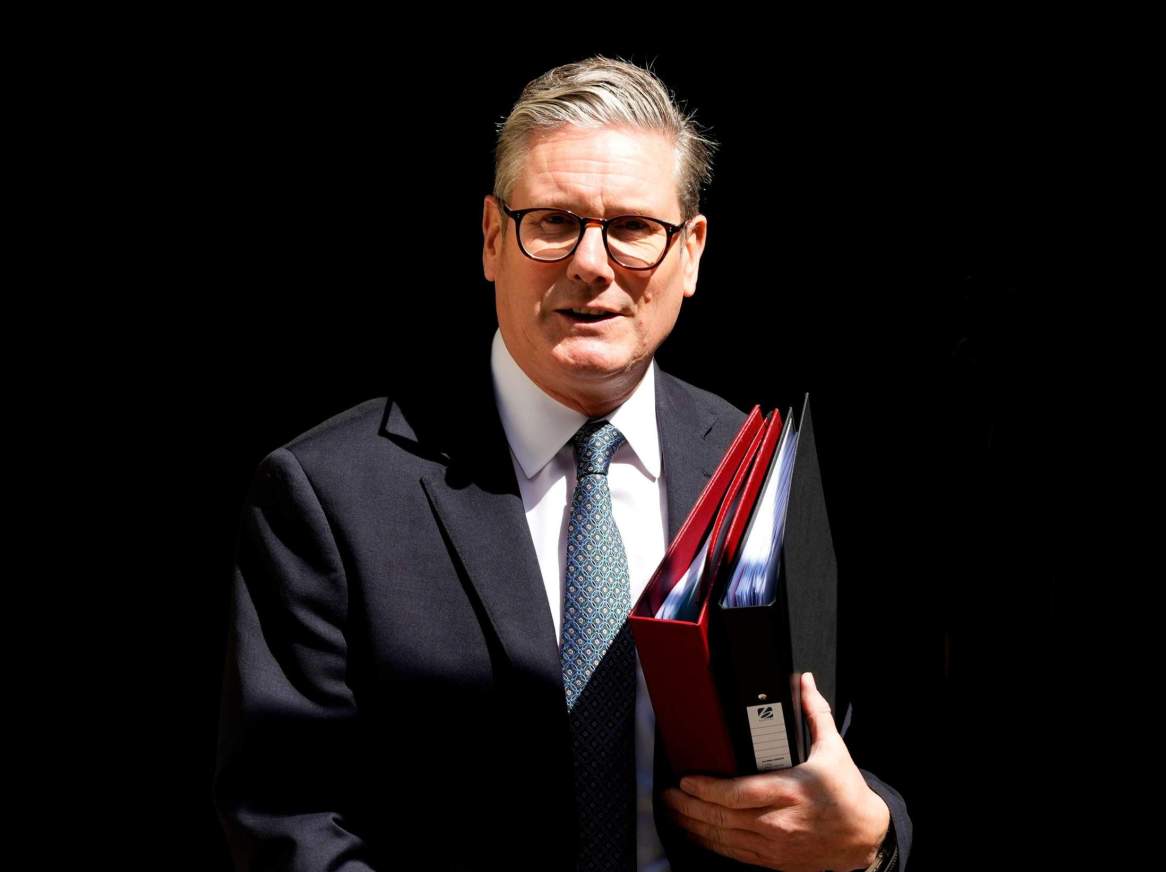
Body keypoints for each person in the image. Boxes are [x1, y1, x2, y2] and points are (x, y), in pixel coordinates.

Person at [213, 55, 911, 872]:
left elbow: (856, 755)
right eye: (552, 221)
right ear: (489, 240)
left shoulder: (759, 472)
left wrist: (872, 841)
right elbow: (288, 821)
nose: (591, 262)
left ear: (690, 253)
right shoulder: (329, 495)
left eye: (633, 228)